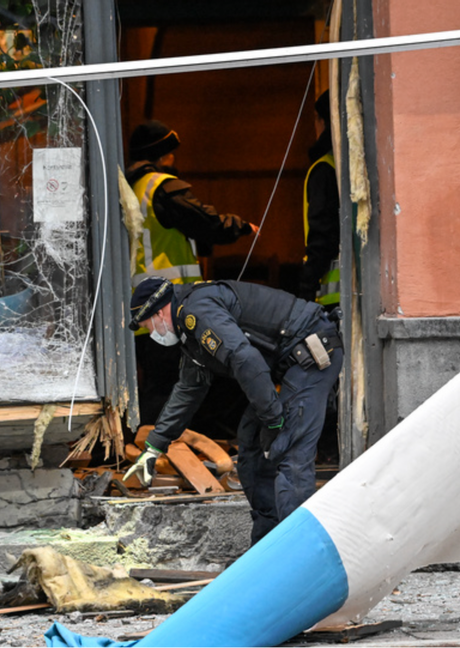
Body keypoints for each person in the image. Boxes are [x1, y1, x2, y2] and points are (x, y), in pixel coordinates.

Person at [123, 276, 343, 545]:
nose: (154, 334)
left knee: (289, 450)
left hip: (311, 350)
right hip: (288, 363)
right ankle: (267, 547)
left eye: (149, 326)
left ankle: (299, 554)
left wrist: (274, 420)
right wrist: (155, 447)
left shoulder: (198, 311)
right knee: (251, 447)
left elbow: (244, 359)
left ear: (159, 312)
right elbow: (188, 390)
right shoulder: (188, 329)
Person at [125, 120, 258, 424]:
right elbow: (204, 221)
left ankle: (151, 442)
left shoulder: (128, 187)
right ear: (161, 155)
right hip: (170, 302)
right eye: (170, 153)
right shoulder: (161, 187)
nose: (173, 160)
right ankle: (165, 444)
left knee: (159, 380)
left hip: (143, 303)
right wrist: (240, 226)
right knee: (178, 380)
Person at [298, 91, 341, 306]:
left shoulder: (324, 169)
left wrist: (306, 288)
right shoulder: (343, 165)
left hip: (331, 296)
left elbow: (322, 235)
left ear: (323, 121)